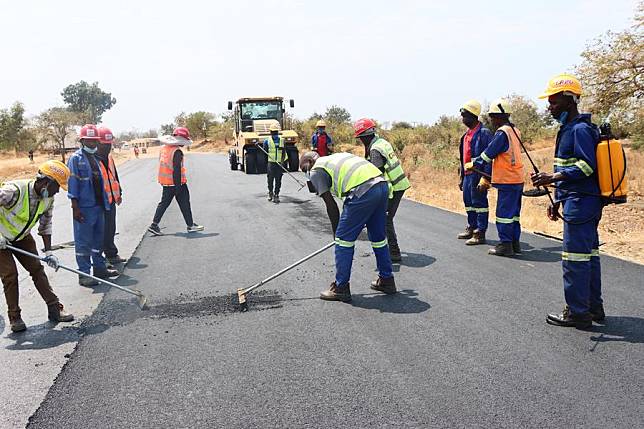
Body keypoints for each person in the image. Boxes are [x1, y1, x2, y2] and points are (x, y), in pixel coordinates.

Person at [532, 73, 603, 329]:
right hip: (577, 201)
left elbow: (585, 167)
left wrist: (551, 177)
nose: (549, 107)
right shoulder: (570, 129)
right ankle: (593, 307)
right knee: (588, 256)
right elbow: (571, 170)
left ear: (569, 100)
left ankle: (578, 312)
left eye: (553, 102)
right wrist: (557, 198)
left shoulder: (580, 130)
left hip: (582, 204)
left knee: (575, 259)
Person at [300, 151, 396, 302]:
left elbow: (331, 206)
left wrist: (337, 235)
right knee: (378, 238)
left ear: (309, 162)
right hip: (382, 185)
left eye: (303, 169)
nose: (306, 174)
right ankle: (387, 280)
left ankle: (341, 287)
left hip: (363, 189)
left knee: (343, 240)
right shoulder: (331, 159)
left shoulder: (315, 170)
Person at [0, 161, 74, 332]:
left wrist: (49, 251)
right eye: (57, 186)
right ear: (47, 182)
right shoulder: (13, 191)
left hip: (22, 237)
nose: (57, 191)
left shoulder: (48, 199)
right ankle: (15, 317)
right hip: (1, 239)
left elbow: (45, 225)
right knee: (10, 275)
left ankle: (55, 309)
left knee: (37, 270)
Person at [467, 99, 525, 256]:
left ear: (497, 116)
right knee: (514, 214)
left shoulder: (502, 133)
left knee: (504, 215)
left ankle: (505, 245)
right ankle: (514, 243)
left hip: (507, 180)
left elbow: (488, 154)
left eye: (492, 117)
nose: (491, 121)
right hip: (517, 178)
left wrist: (473, 163)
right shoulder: (515, 131)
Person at [67, 124, 119, 286]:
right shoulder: (76, 159)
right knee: (84, 242)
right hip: (84, 208)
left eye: (94, 141)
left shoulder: (95, 159)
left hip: (99, 206)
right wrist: (75, 207)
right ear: (82, 141)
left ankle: (99, 269)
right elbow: (73, 184)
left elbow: (101, 183)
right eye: (88, 141)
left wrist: (106, 204)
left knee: (98, 240)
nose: (92, 144)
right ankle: (84, 274)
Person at [354, 118, 411, 262]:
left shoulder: (375, 150)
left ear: (366, 136)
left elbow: (375, 174)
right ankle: (391, 249)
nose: (361, 141)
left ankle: (394, 252)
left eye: (361, 138)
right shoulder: (382, 143)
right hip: (399, 184)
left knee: (386, 219)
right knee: (385, 218)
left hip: (394, 187)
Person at [148, 127, 204, 236]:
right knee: (185, 203)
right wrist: (178, 187)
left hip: (166, 182)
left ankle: (154, 225)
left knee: (164, 203)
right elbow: (176, 170)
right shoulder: (177, 151)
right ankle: (190, 225)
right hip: (177, 183)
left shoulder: (164, 148)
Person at [457, 100, 493, 245]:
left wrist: (486, 177)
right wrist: (461, 177)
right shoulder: (466, 135)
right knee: (469, 202)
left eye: (464, 115)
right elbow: (463, 158)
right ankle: (471, 227)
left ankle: (480, 232)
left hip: (478, 174)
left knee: (480, 204)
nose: (462, 118)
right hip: (467, 175)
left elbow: (490, 156)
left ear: (473, 116)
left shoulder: (484, 133)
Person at [97, 126, 126, 266]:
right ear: (98, 143)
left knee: (110, 228)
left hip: (110, 200)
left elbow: (114, 175)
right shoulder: (93, 160)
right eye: (104, 144)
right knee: (101, 230)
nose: (107, 147)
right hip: (99, 201)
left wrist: (118, 192)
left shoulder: (109, 157)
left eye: (109, 144)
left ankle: (111, 254)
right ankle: (101, 259)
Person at [263, 124, 287, 204]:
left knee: (278, 179)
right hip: (271, 163)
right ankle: (270, 192)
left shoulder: (282, 140)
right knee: (270, 179)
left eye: (275, 132)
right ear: (270, 133)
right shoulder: (266, 141)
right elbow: (265, 152)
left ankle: (276, 194)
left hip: (279, 163)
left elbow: (284, 152)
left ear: (278, 132)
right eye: (273, 132)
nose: (274, 134)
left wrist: (282, 162)